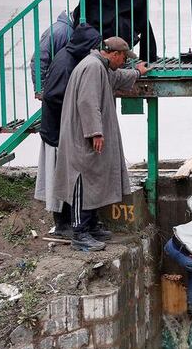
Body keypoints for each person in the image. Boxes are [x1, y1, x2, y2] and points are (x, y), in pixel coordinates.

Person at [53, 36, 149, 251]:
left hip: (85, 135)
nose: (124, 62)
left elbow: (116, 78)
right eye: (124, 58)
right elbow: (88, 102)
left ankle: (91, 226)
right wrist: (95, 132)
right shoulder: (93, 68)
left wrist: (137, 72)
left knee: (95, 182)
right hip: (83, 137)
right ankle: (80, 233)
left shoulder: (99, 65)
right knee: (83, 182)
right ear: (115, 54)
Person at [34, 23, 101, 239]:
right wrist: (75, 110)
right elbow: (54, 96)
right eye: (93, 47)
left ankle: (69, 223)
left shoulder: (69, 57)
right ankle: (62, 225)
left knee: (64, 178)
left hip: (60, 131)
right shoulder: (65, 64)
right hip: (56, 133)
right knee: (60, 179)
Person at [30, 11, 74, 96]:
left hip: (57, 86)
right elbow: (39, 59)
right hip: (55, 87)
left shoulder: (63, 30)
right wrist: (40, 88)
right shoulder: (60, 31)